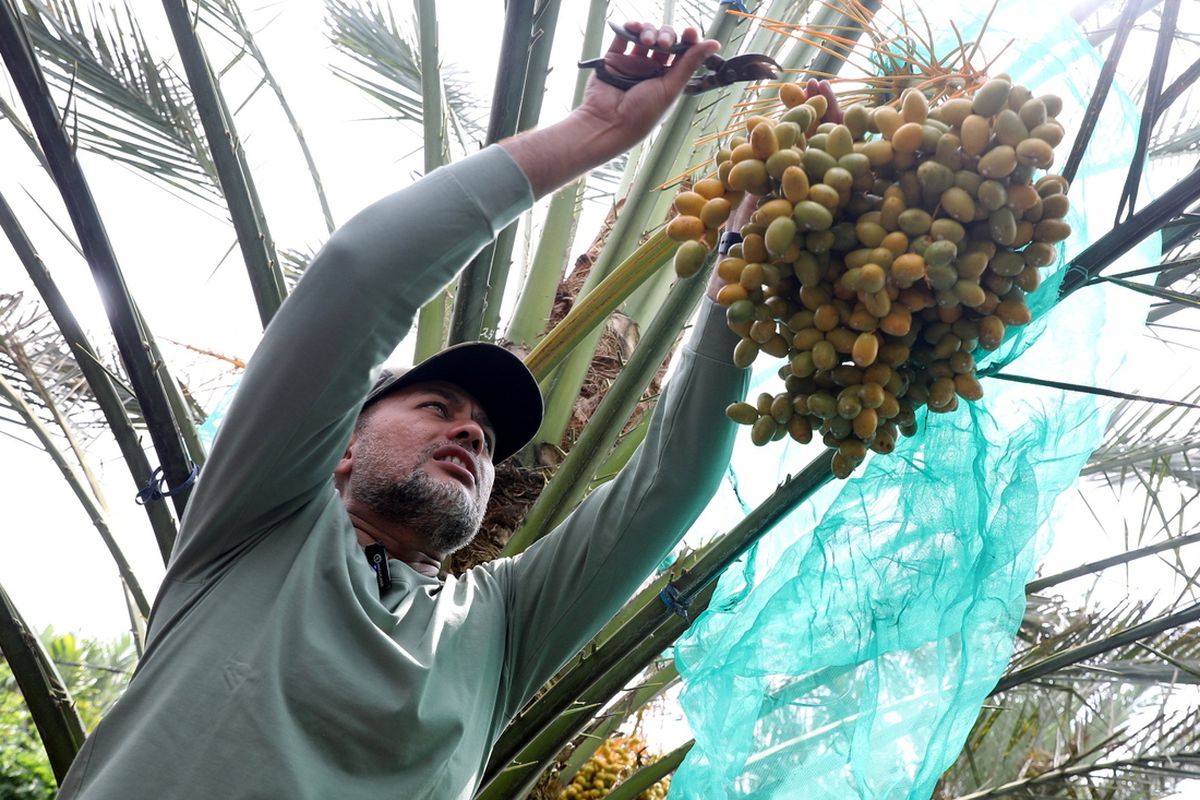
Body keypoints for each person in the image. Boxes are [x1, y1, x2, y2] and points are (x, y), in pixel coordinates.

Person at [56, 21, 750, 800]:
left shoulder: (500, 628)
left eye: (487, 440)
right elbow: (359, 276)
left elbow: (672, 479)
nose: (472, 434)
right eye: (436, 406)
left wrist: (743, 261)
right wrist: (597, 129)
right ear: (341, 448)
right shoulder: (262, 521)